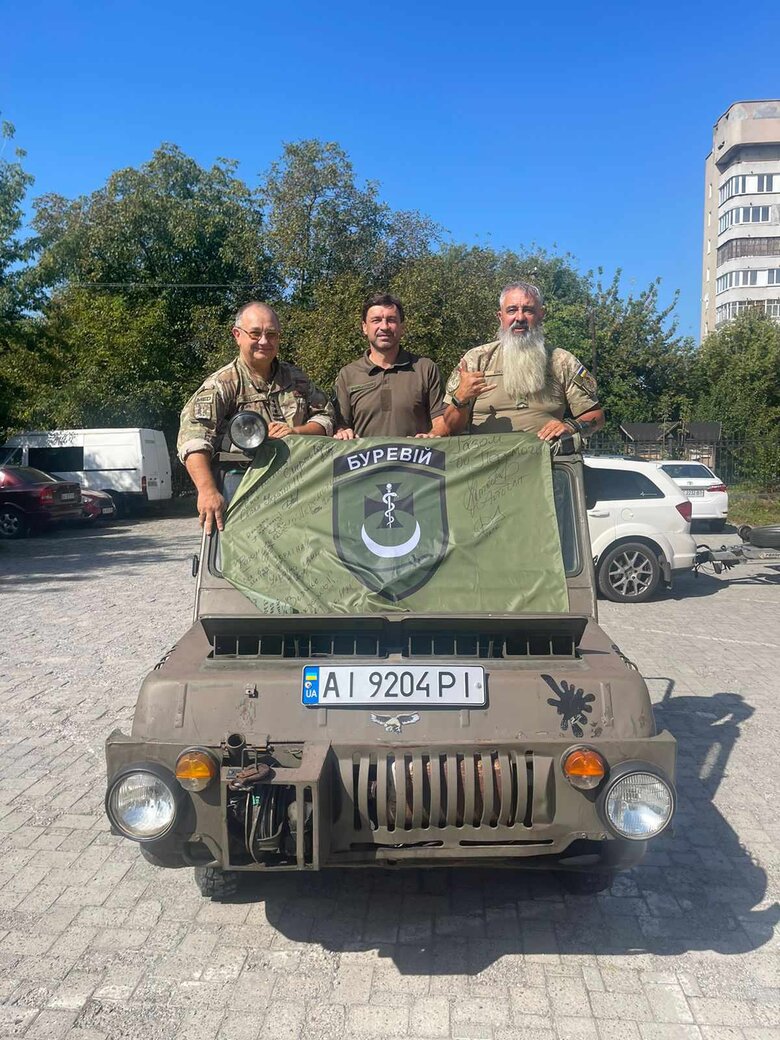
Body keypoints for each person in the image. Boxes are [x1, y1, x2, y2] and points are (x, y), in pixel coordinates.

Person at [177, 301, 335, 532]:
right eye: (255, 333)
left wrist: (296, 432)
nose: (264, 341)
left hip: (296, 486)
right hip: (241, 486)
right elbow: (194, 439)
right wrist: (207, 491)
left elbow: (327, 417)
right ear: (237, 335)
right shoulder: (221, 385)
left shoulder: (297, 380)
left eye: (271, 334)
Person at [441, 282, 604, 441]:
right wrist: (460, 399)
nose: (520, 317)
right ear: (500, 316)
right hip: (486, 463)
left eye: (528, 310)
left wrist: (571, 426)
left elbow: (597, 416)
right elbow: (450, 428)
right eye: (512, 310)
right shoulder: (476, 359)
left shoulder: (562, 361)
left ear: (541, 315)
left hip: (547, 463)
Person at [334, 293, 447, 439]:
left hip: (414, 461)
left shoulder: (426, 369)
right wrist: (342, 432)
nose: (384, 327)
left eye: (391, 320)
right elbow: (341, 426)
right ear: (364, 327)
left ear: (402, 327)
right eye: (376, 320)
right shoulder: (348, 374)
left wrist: (433, 435)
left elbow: (440, 420)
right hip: (367, 461)